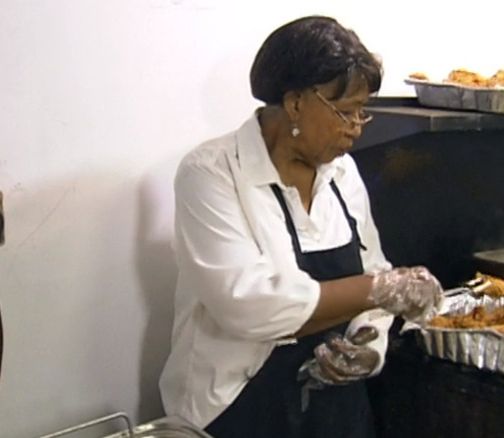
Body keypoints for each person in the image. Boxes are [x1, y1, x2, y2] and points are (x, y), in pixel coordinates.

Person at [158, 15, 444, 438]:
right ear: (295, 103)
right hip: (239, 409)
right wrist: (381, 288)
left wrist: (368, 340)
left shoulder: (342, 174)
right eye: (345, 112)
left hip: (332, 411)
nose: (356, 129)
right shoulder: (212, 173)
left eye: (362, 113)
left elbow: (373, 265)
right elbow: (248, 305)